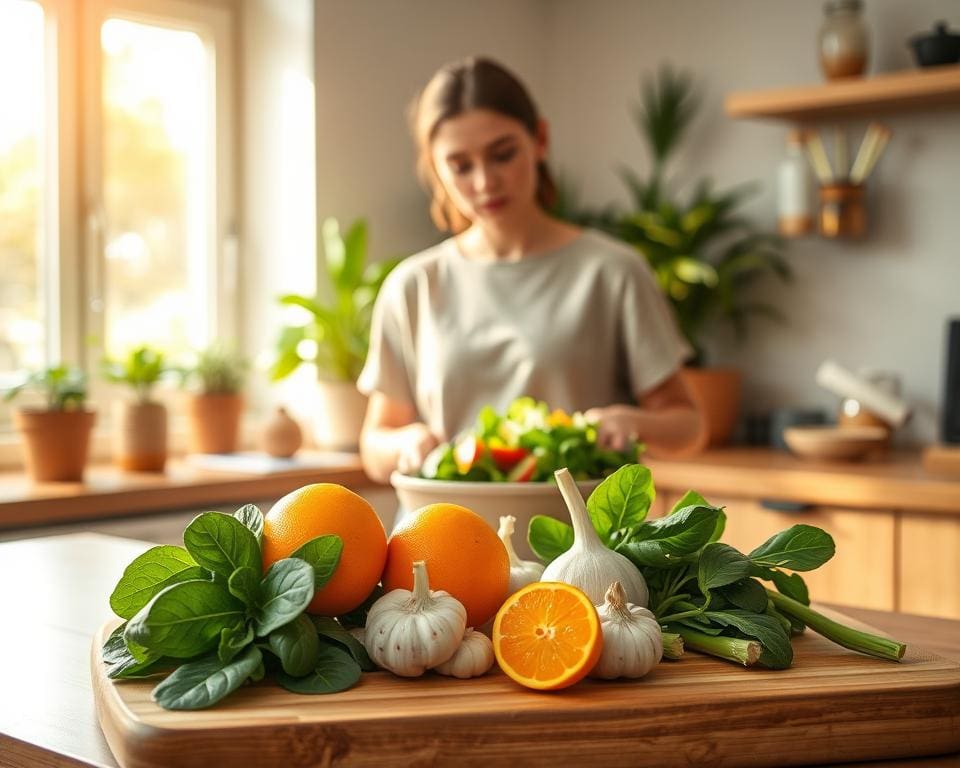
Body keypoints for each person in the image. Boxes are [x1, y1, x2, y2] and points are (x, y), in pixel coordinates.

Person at [358, 57, 704, 484]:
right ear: (434, 168)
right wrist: (404, 443)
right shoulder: (413, 286)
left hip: (578, 542)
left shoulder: (613, 272)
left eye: (502, 155)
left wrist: (629, 422)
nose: (485, 182)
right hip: (443, 536)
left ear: (539, 140)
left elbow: (687, 425)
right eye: (460, 166)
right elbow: (375, 446)